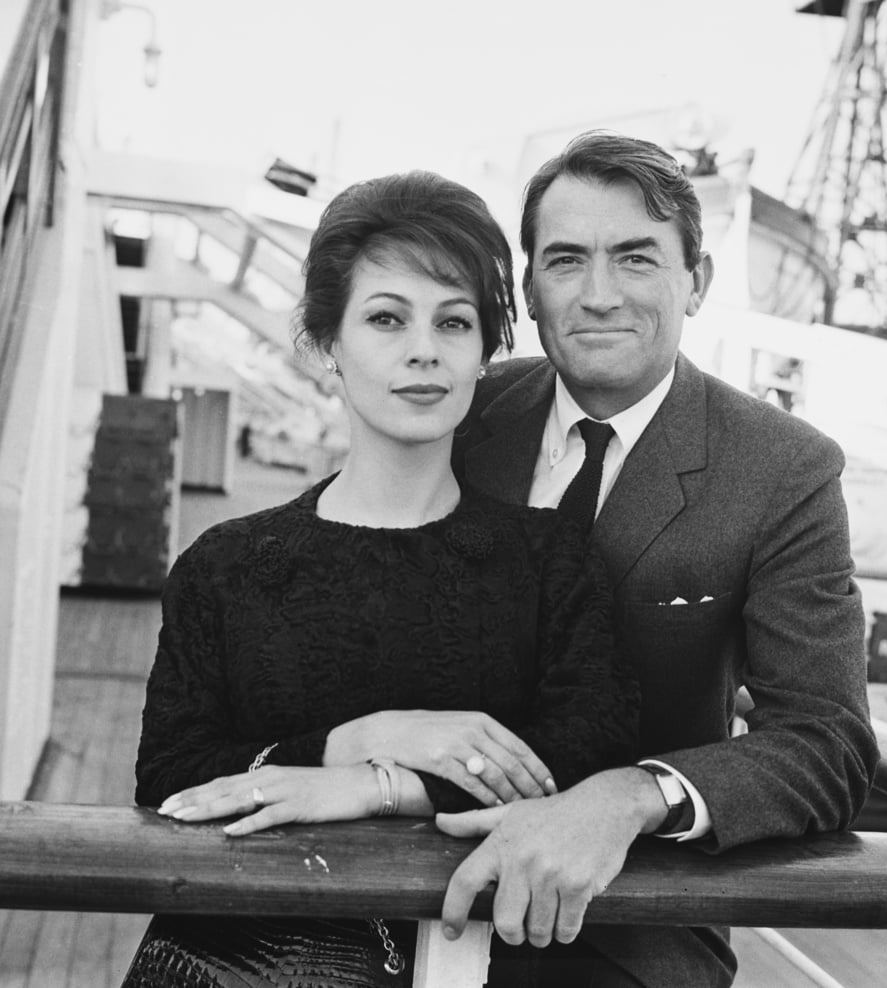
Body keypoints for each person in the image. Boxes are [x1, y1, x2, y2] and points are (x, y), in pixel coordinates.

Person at [122, 170, 639, 987]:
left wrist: (376, 785)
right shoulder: (226, 566)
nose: (423, 350)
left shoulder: (548, 561)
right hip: (233, 966)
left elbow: (583, 754)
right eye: (386, 319)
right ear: (327, 345)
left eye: (454, 322)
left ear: (485, 353)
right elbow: (172, 777)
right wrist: (359, 738)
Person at [438, 131, 881, 987]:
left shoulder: (781, 468)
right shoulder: (459, 414)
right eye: (565, 261)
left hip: (626, 920)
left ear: (697, 282)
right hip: (407, 884)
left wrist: (629, 798)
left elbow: (828, 742)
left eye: (636, 259)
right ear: (529, 289)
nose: (598, 295)